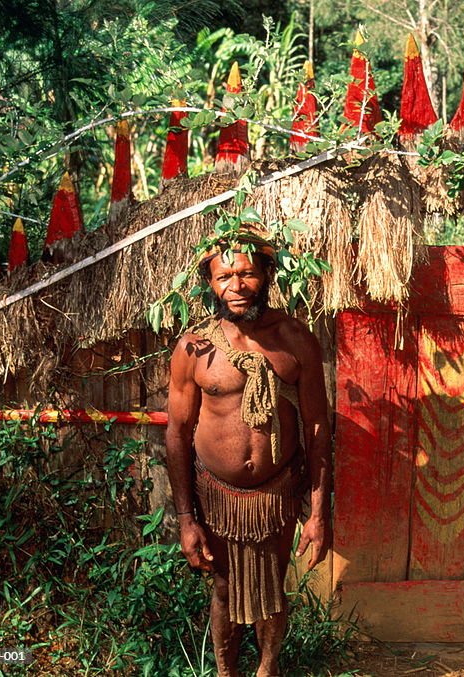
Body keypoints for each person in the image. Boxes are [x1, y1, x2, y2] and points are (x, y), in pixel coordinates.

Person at [165, 232, 332, 677]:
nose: (236, 286)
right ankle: (226, 672)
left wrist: (318, 513)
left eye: (247, 274)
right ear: (210, 284)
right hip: (216, 494)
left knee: (272, 585)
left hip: (277, 491)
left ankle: (268, 669)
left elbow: (317, 427)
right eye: (224, 276)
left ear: (267, 276)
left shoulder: (294, 339)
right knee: (222, 586)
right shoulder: (193, 348)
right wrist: (186, 519)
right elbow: (178, 434)